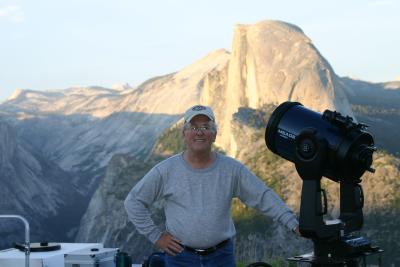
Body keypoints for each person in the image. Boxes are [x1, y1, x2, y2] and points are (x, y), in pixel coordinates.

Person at [124, 105, 300, 267]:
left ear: (214, 135)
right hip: (180, 258)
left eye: (206, 127)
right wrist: (157, 237)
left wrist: (292, 223)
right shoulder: (166, 170)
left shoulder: (232, 169)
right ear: (184, 134)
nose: (199, 132)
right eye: (193, 127)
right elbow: (133, 202)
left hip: (221, 257)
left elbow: (262, 196)